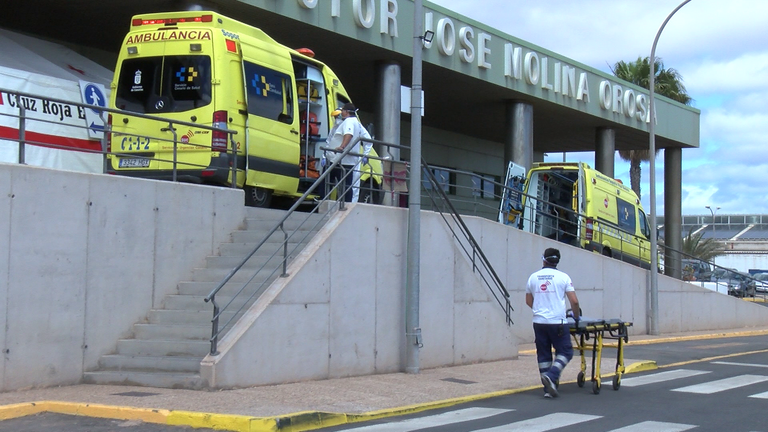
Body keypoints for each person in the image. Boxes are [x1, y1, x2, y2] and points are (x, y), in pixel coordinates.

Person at [525, 247, 580, 398]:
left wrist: (541, 309)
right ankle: (553, 375)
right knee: (565, 351)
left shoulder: (533, 277)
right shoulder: (563, 277)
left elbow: (528, 301)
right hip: (558, 322)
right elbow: (574, 301)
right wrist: (576, 316)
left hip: (539, 322)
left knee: (544, 355)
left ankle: (548, 389)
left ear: (544, 259)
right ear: (557, 261)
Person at [326, 103, 370, 202]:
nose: (338, 117)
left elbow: (351, 135)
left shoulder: (349, 122)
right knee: (345, 184)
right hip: (339, 158)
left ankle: (345, 203)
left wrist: (365, 154)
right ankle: (344, 203)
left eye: (339, 114)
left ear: (346, 112)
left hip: (343, 158)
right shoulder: (339, 125)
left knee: (346, 184)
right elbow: (329, 141)